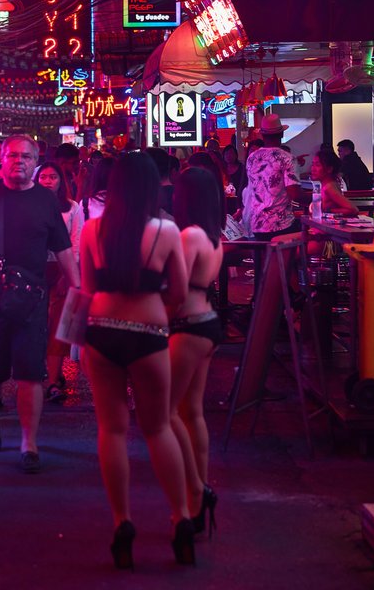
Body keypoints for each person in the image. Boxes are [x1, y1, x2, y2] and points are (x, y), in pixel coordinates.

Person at [80, 152, 194, 568]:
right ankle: (181, 518)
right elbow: (179, 292)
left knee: (112, 430)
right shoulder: (166, 230)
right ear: (151, 187)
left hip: (102, 333)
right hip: (149, 334)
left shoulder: (92, 229)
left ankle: (122, 522)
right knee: (158, 427)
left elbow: (88, 289)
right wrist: (157, 309)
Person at [0, 135, 78, 473]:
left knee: (31, 373)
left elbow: (63, 249)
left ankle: (28, 442)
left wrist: (78, 289)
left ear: (36, 162)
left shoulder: (46, 201)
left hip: (31, 301)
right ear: (1, 160)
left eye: (26, 156)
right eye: (12, 156)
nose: (19, 161)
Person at [170, 167, 224, 535]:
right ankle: (197, 497)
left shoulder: (189, 236)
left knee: (165, 412)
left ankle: (197, 487)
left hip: (187, 326)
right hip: (207, 324)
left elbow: (176, 290)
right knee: (192, 412)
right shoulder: (215, 236)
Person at [35, 161, 83, 402]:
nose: (47, 181)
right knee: (36, 324)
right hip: (33, 271)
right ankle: (39, 374)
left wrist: (69, 274)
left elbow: (76, 243)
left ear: (61, 182)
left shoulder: (72, 208)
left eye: (52, 177)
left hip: (61, 270)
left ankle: (53, 381)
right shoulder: (29, 204)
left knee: (57, 325)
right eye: (43, 177)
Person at [244, 115, 302, 239]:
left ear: (262, 135)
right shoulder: (287, 158)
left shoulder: (252, 158)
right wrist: (317, 199)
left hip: (257, 224)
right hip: (282, 224)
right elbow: (295, 194)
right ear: (281, 134)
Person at [82, 155, 114, 221]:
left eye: (98, 157)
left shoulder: (86, 203)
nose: (96, 159)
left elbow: (79, 227)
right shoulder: (127, 205)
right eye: (95, 157)